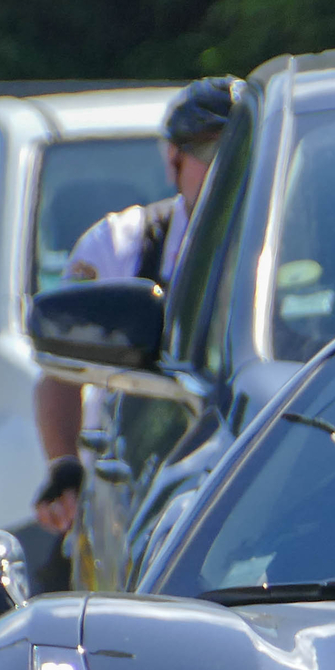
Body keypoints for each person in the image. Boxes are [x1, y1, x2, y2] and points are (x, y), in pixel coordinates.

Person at [29, 78, 239, 556]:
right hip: (134, 491)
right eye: (211, 153)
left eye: (241, 157)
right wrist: (65, 467)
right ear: (173, 160)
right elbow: (60, 372)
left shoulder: (298, 250)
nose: (226, 172)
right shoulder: (121, 246)